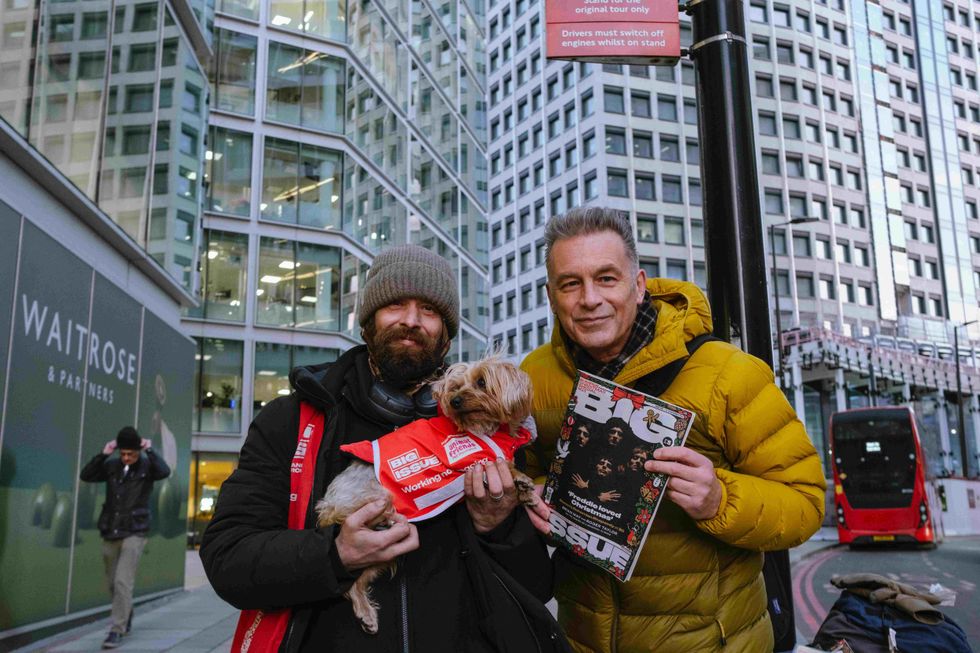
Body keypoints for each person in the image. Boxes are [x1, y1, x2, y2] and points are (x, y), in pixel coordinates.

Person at [201, 244, 555, 652]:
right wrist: (334, 555)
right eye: (394, 305)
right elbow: (228, 558)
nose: (410, 320)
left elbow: (536, 588)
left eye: (429, 309)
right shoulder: (292, 421)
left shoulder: (490, 437)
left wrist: (500, 526)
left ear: (447, 332)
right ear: (367, 322)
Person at [521, 207, 827, 653]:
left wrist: (720, 499)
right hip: (583, 640)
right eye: (571, 283)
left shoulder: (728, 373)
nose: (589, 299)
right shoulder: (533, 378)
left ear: (639, 285)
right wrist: (542, 497)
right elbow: (521, 477)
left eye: (606, 278)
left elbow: (805, 502)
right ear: (552, 296)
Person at [80, 426, 171, 649]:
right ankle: (126, 613)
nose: (127, 458)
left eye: (131, 454)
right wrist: (104, 453)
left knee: (122, 581)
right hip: (111, 530)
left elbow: (164, 471)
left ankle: (116, 629)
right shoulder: (112, 466)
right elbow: (87, 475)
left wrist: (150, 451)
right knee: (112, 582)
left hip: (135, 531)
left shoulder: (148, 467)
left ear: (138, 451)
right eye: (123, 454)